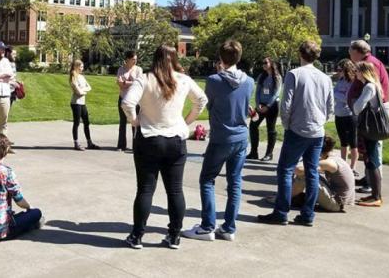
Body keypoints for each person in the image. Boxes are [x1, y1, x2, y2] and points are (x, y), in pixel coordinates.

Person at [121, 45, 208, 250]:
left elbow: (127, 102)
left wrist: (134, 121)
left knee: (145, 190)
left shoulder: (145, 78)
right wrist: (186, 121)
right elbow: (201, 100)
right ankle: (174, 236)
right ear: (174, 58)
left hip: (149, 138)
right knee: (175, 190)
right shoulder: (183, 79)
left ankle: (137, 236)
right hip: (175, 141)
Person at [182, 40, 253, 242]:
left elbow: (210, 104)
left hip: (222, 136)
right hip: (241, 136)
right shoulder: (249, 81)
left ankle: (207, 226)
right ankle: (229, 227)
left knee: (207, 179)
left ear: (221, 58)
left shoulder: (213, 80)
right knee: (235, 182)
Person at [258, 40, 333, 227]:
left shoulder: (294, 74)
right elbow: (331, 107)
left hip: (298, 130)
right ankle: (308, 215)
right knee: (312, 171)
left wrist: (287, 124)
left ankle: (281, 212)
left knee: (285, 169)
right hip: (316, 131)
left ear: (300, 54)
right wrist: (321, 121)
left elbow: (286, 104)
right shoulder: (325, 78)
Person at [347, 40, 389, 195]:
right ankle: (369, 178)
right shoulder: (369, 62)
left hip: (373, 115)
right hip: (368, 113)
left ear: (358, 51)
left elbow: (372, 92)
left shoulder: (370, 64)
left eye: (351, 52)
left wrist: (356, 103)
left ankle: (374, 184)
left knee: (373, 151)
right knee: (369, 150)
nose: (350, 56)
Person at [352, 61, 389, 207]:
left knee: (372, 161)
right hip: (371, 129)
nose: (355, 73)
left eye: (357, 71)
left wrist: (355, 101)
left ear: (363, 72)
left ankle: (376, 197)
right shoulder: (374, 85)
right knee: (370, 161)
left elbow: (357, 108)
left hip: (370, 129)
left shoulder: (369, 87)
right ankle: (374, 194)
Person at [288, 136, 355, 212]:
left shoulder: (329, 162)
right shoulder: (334, 157)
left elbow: (298, 170)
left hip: (337, 204)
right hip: (342, 200)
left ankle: (285, 199)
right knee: (311, 174)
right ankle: (292, 197)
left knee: (305, 175)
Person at [247, 57, 282, 161]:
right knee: (253, 125)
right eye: (262, 63)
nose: (263, 64)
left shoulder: (277, 77)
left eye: (265, 62)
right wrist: (258, 104)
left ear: (271, 63)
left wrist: (268, 106)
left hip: (272, 106)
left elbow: (276, 93)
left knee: (270, 129)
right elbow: (257, 91)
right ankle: (254, 152)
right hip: (261, 105)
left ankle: (269, 154)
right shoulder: (262, 76)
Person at [333, 59, 359, 175]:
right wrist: (338, 94)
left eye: (340, 70)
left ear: (346, 70)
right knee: (343, 142)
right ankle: (344, 165)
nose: (338, 72)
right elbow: (336, 95)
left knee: (353, 142)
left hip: (350, 115)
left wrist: (336, 94)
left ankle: (352, 167)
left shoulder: (353, 82)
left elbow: (348, 99)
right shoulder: (340, 81)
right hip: (339, 114)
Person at [70, 59, 100, 151]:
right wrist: (82, 90)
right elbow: (78, 92)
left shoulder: (82, 77)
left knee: (86, 122)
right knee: (77, 123)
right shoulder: (73, 77)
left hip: (82, 103)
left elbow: (89, 87)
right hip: (76, 103)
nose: (82, 68)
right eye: (81, 67)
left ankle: (89, 142)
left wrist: (83, 90)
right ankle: (76, 143)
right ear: (76, 67)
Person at [116, 50, 143, 151]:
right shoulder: (121, 69)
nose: (135, 61)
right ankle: (121, 145)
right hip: (123, 98)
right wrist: (132, 82)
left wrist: (126, 82)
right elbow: (119, 83)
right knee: (122, 122)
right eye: (133, 59)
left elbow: (139, 84)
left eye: (136, 59)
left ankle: (136, 145)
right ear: (127, 59)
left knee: (134, 122)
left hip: (135, 100)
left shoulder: (138, 70)